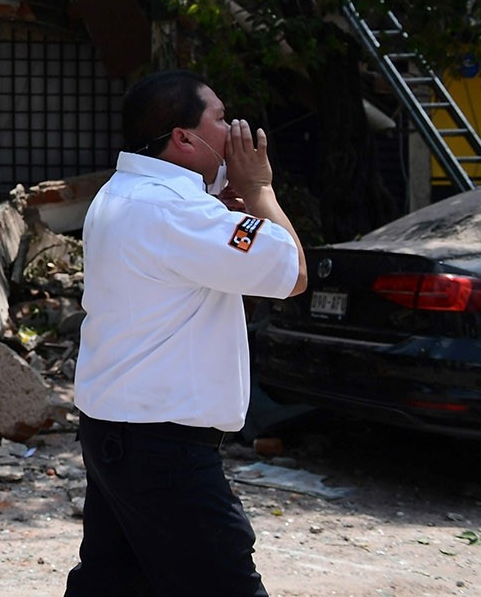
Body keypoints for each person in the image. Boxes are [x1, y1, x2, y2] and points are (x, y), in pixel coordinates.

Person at [64, 69, 308, 597]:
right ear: (183, 138)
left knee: (114, 580)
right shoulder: (176, 211)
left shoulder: (122, 193)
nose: (234, 130)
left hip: (113, 429)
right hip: (162, 446)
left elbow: (192, 243)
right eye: (220, 119)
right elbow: (293, 273)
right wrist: (260, 190)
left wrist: (223, 208)